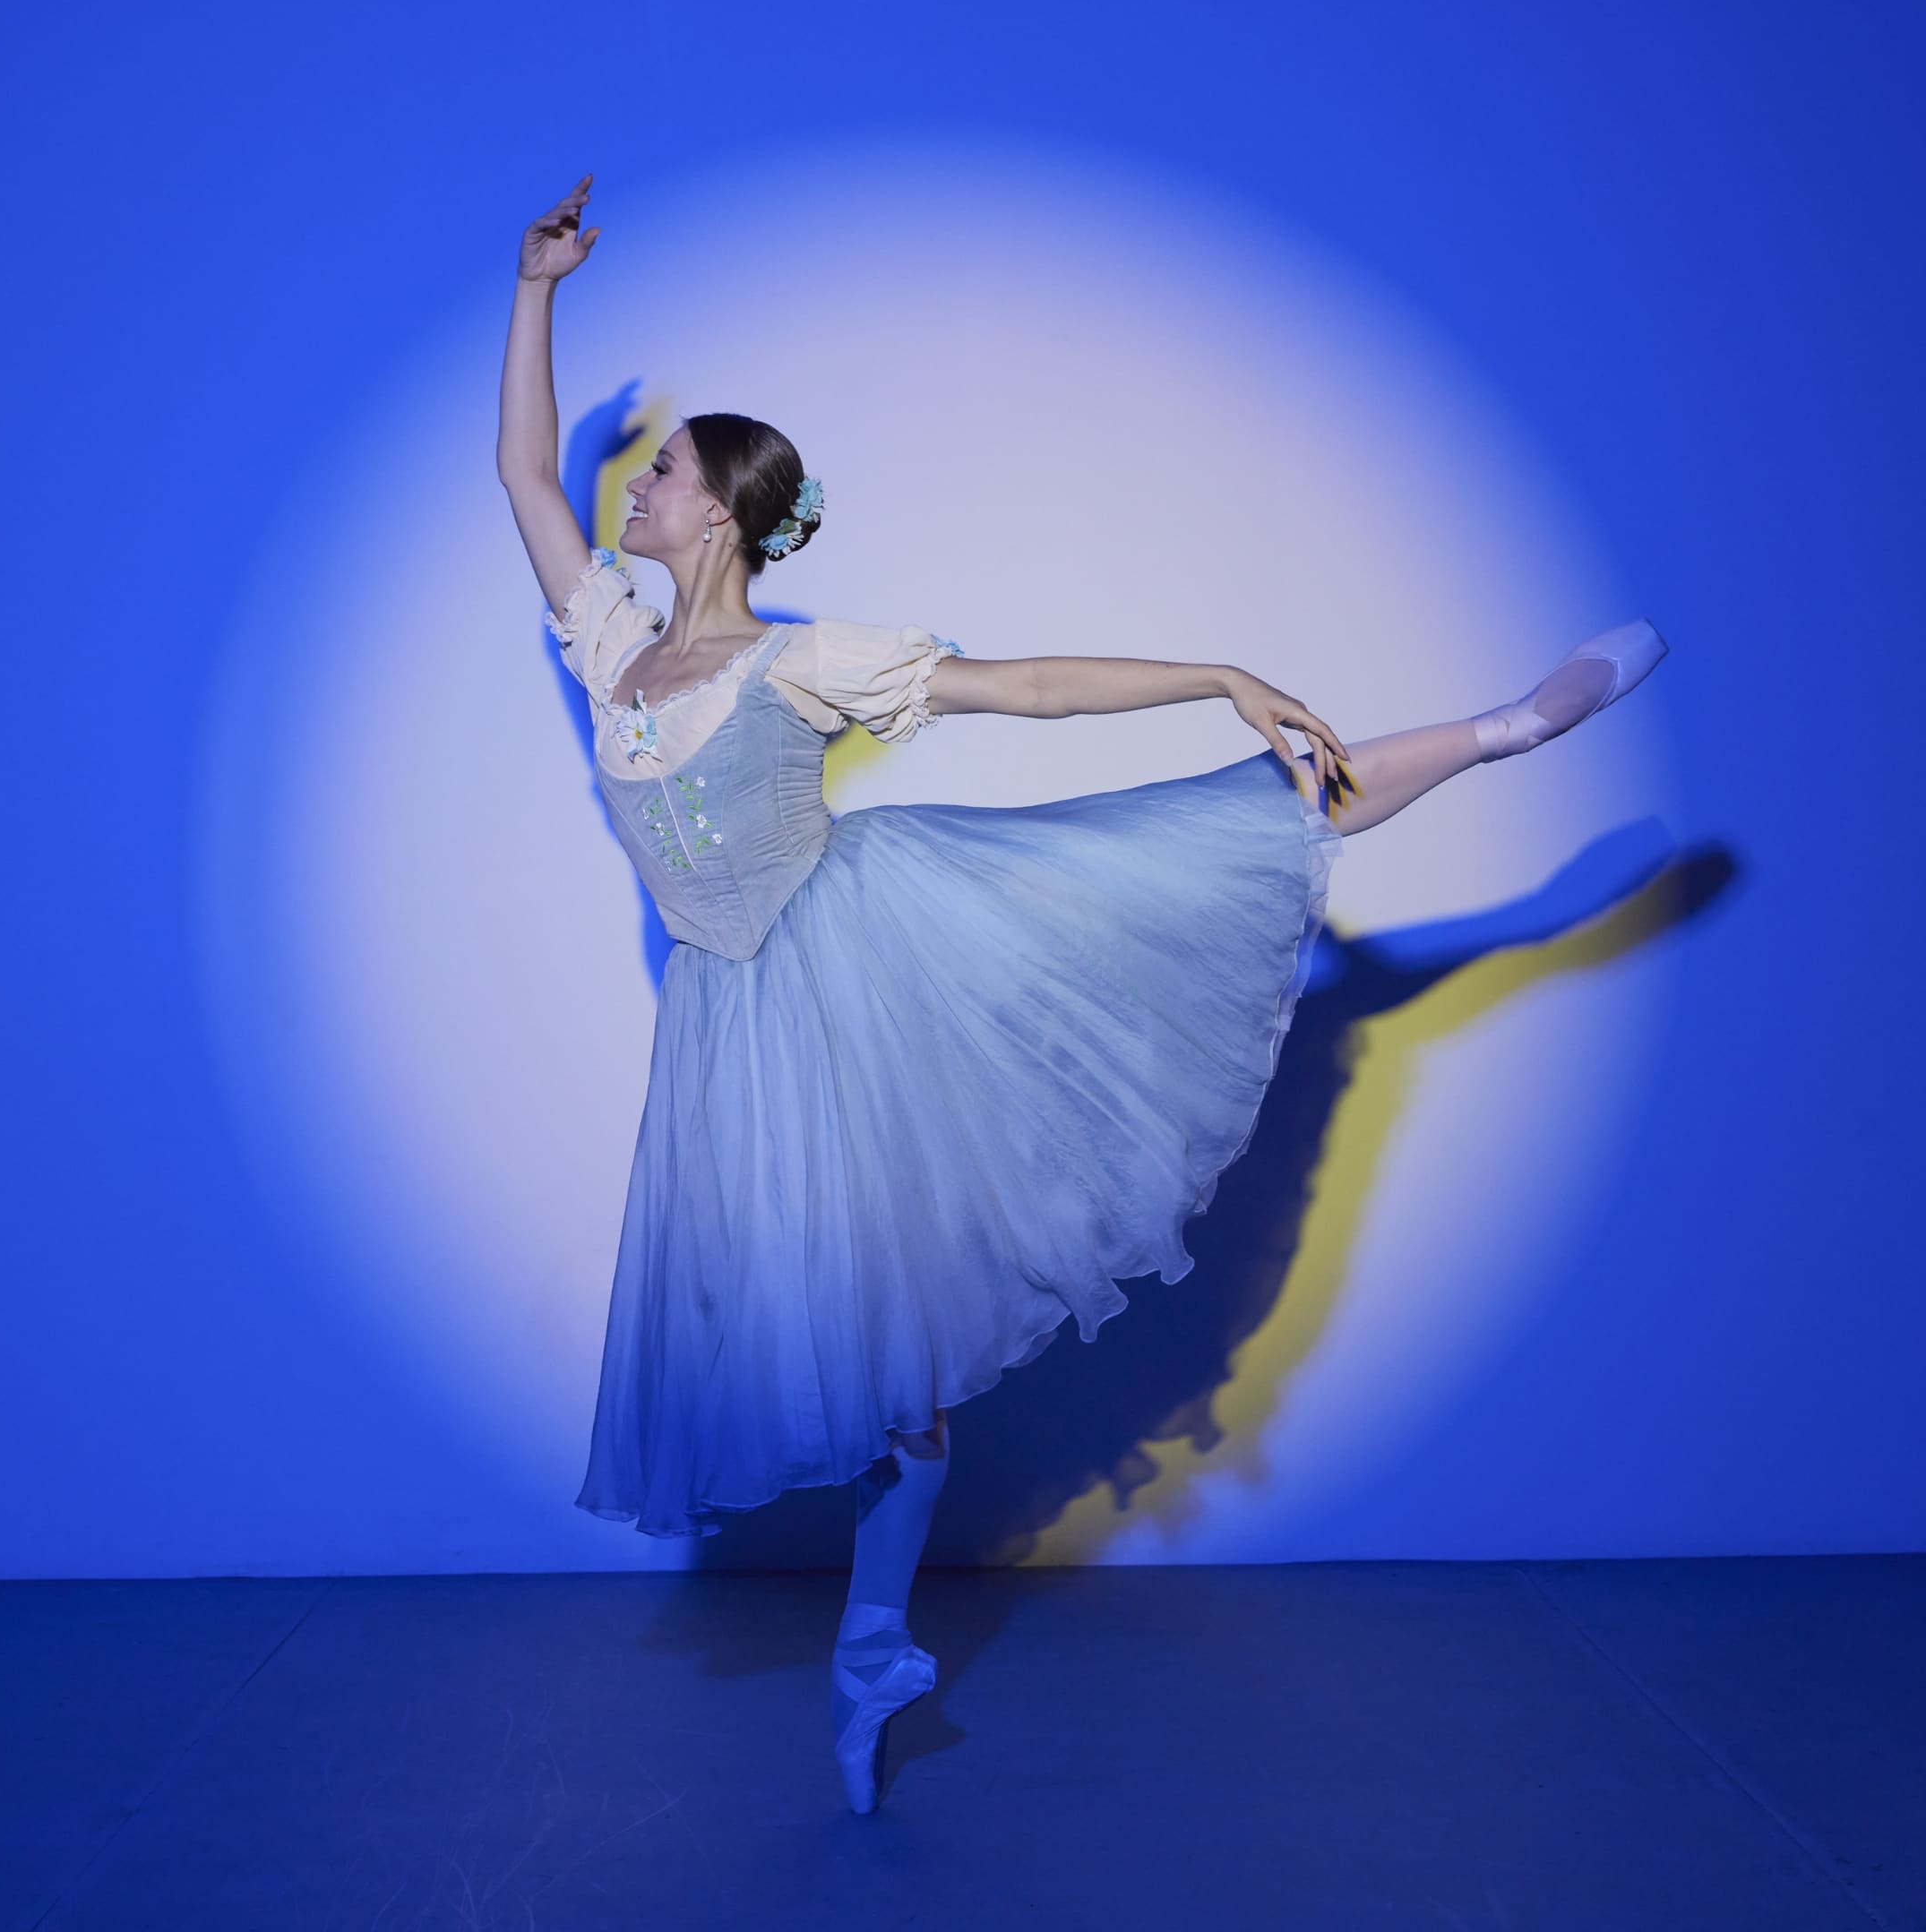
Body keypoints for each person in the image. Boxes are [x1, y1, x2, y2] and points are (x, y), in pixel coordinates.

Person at [496, 175, 1668, 1813]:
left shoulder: (803, 659)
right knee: (844, 1373)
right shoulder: (608, 641)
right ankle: (875, 1656)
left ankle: (1506, 728)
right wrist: (537, 287)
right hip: (732, 1027)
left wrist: (1217, 675)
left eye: (665, 472)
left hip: (862, 981)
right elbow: (521, 475)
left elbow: (1029, 687)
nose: (635, 487)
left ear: (723, 517)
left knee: (1221, 837)